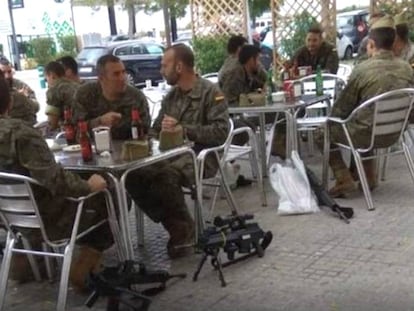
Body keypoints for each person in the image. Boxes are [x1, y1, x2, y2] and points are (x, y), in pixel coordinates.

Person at [0, 69, 114, 290]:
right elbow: (56, 181)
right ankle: (83, 270)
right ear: (10, 102)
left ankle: (27, 263)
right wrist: (89, 185)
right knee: (111, 196)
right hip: (49, 221)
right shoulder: (21, 134)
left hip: (11, 221)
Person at [125, 44, 229, 258]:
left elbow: (220, 132)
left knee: (164, 177)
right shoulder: (171, 97)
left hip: (201, 157)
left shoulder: (211, 92)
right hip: (169, 156)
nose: (161, 70)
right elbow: (154, 130)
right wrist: (157, 134)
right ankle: (177, 224)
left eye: (165, 65)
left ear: (179, 67)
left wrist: (185, 131)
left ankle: (182, 230)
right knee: (133, 175)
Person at [323, 16, 414, 198]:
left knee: (325, 130)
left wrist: (330, 118)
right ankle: (368, 177)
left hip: (366, 135)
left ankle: (344, 179)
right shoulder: (407, 68)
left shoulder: (362, 70)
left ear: (371, 44)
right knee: (365, 120)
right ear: (392, 41)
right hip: (395, 134)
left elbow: (341, 111)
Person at [73, 54, 150, 139]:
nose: (122, 78)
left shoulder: (136, 97)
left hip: (128, 146)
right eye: (116, 74)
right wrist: (100, 121)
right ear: (101, 78)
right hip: (94, 147)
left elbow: (146, 129)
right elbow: (76, 130)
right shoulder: (85, 94)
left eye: (123, 72)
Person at [44, 61, 80, 130]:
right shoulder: (76, 85)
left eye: (46, 79)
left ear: (52, 75)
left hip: (73, 129)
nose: (47, 82)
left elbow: (52, 124)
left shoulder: (54, 90)